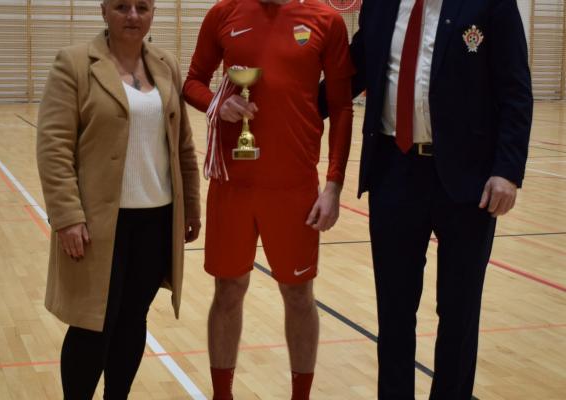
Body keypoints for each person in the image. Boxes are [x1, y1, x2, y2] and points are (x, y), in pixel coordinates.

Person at [320, 0, 533, 398]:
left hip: (469, 180)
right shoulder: (380, 5)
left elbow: (515, 89)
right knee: (394, 312)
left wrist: (507, 170)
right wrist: (290, 108)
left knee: (459, 312)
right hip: (394, 172)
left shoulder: (491, 5)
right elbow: (354, 71)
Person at [183, 0, 354, 398]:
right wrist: (216, 103)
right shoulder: (223, 13)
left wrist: (334, 184)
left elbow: (342, 106)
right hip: (232, 184)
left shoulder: (326, 21)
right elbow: (192, 81)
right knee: (228, 290)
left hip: (294, 188)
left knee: (298, 294)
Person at [36, 0, 201, 398]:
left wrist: (192, 207)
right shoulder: (74, 64)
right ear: (104, 11)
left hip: (156, 220)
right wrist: (67, 215)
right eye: (122, 6)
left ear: (153, 13)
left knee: (132, 319)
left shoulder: (165, 63)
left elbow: (182, 144)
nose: (132, 15)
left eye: (142, 7)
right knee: (92, 324)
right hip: (98, 225)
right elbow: (53, 146)